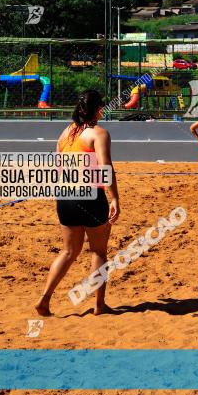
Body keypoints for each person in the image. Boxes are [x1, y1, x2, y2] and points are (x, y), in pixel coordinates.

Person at [35, 90, 120, 316]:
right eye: (101, 107)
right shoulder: (98, 133)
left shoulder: (65, 133)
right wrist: (114, 198)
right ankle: (99, 305)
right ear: (97, 109)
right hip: (90, 196)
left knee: (68, 252)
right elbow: (105, 167)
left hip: (65, 196)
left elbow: (57, 168)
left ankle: (44, 299)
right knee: (98, 252)